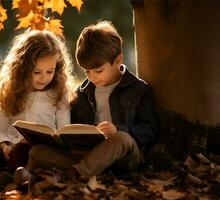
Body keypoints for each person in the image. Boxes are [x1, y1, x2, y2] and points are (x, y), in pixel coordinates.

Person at [17, 20, 158, 182]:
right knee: (38, 151)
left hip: (124, 158)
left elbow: (150, 129)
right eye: (87, 71)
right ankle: (89, 174)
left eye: (98, 70)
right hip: (89, 156)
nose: (92, 77)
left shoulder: (139, 89)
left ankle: (71, 174)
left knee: (121, 138)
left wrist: (118, 129)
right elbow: (73, 130)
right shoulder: (82, 92)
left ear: (118, 60)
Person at [0, 29, 73, 186]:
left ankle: (15, 177)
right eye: (37, 72)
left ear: (57, 67)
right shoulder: (9, 90)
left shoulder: (59, 93)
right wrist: (4, 146)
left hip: (40, 149)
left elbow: (64, 129)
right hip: (9, 146)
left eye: (50, 71)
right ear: (22, 67)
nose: (44, 77)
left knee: (24, 152)